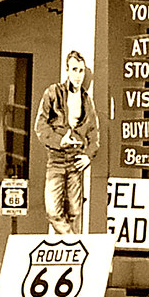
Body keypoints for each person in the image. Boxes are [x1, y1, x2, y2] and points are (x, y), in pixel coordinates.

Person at [34, 50, 99, 234]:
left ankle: (72, 252)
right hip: (55, 159)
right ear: (67, 70)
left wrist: (88, 156)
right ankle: (71, 241)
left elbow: (94, 135)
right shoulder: (53, 93)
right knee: (53, 210)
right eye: (75, 70)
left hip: (76, 160)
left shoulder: (87, 101)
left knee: (75, 212)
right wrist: (59, 140)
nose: (78, 75)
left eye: (81, 71)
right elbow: (40, 126)